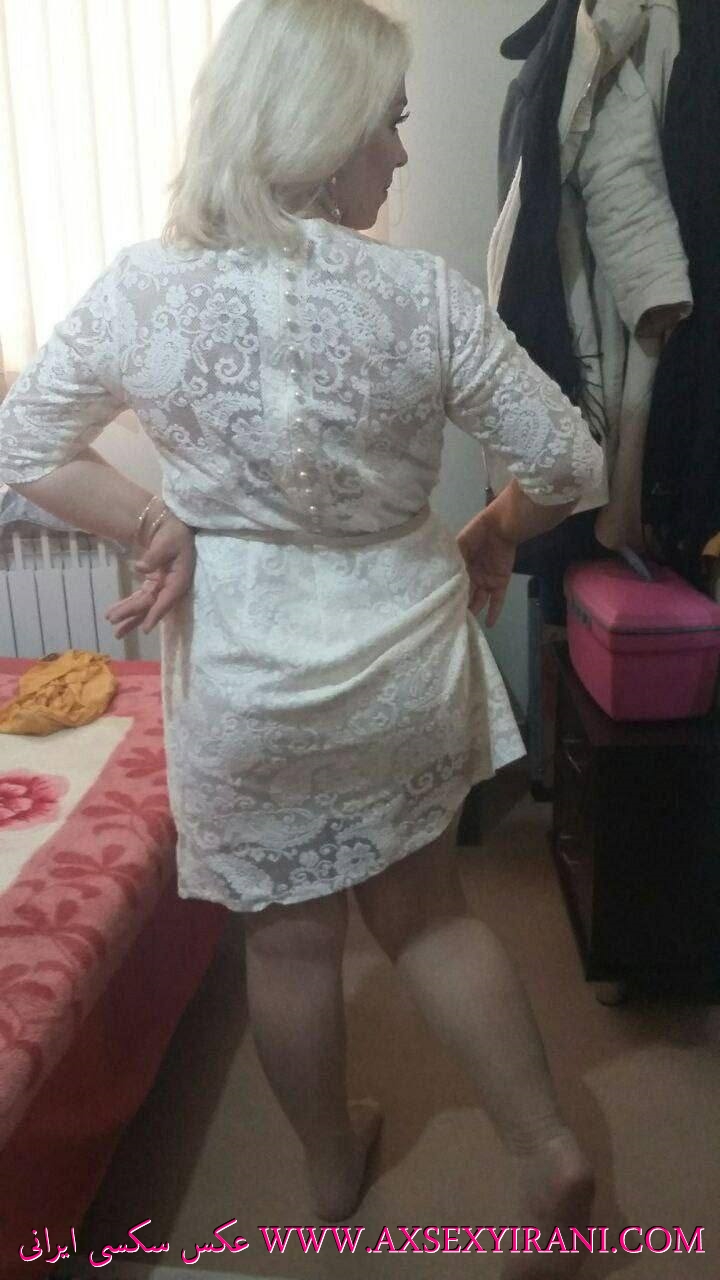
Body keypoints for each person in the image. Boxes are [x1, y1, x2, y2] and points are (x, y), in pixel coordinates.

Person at [0, 0, 604, 1265]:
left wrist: (151, 518)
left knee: (285, 941)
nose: (399, 152)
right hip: (401, 660)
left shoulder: (144, 288)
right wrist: (494, 528)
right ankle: (547, 1143)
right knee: (429, 915)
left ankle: (330, 1166)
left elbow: (24, 446)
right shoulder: (417, 292)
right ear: (321, 135)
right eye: (387, 125)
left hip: (242, 676)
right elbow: (568, 460)